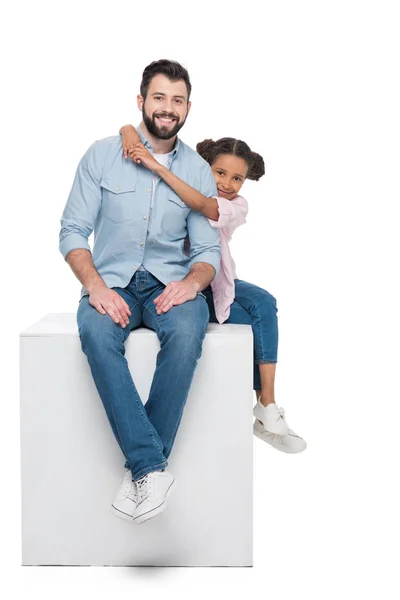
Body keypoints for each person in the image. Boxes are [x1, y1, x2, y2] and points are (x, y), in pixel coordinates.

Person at [59, 59, 221, 525]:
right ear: (141, 101)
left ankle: (142, 469)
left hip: (170, 282)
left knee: (190, 331)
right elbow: (73, 230)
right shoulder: (102, 155)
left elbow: (207, 249)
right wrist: (93, 286)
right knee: (94, 329)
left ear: (188, 107)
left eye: (177, 100)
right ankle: (152, 467)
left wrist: (192, 283)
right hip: (113, 281)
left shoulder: (197, 170)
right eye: (158, 97)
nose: (167, 109)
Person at [119, 126, 307, 454]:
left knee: (264, 303)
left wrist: (159, 168)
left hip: (214, 280)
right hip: (175, 283)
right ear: (206, 165)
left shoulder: (236, 206)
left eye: (237, 178)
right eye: (220, 172)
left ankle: (268, 404)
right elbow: (133, 133)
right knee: (252, 323)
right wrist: (126, 132)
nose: (227, 184)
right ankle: (264, 406)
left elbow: (204, 206)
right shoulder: (185, 177)